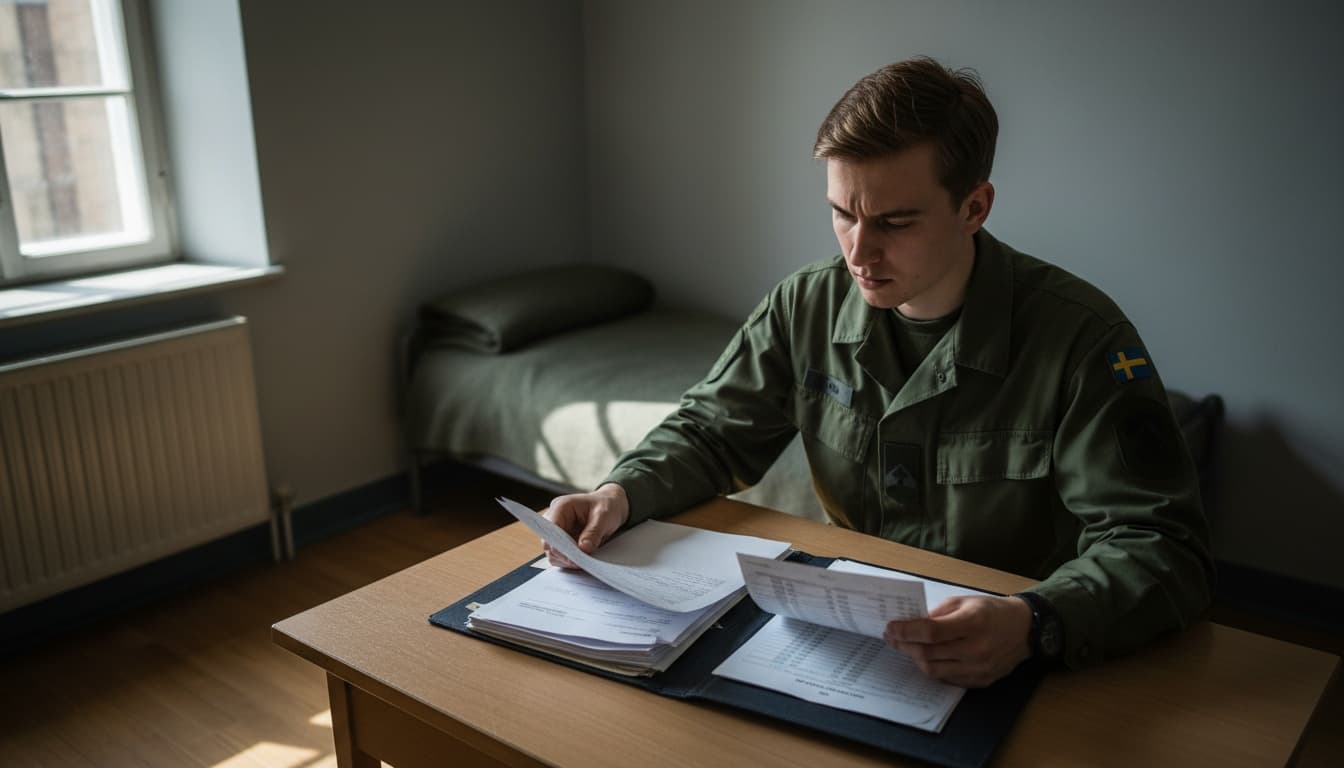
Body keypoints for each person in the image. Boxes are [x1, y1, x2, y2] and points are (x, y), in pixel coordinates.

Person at [542, 57, 1214, 688]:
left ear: (974, 208)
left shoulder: (1083, 340)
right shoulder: (804, 305)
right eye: (842, 213)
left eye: (894, 222)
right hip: (846, 639)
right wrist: (621, 493)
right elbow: (711, 432)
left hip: (1013, 654)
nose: (859, 252)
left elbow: (1160, 547)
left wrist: (1035, 622)